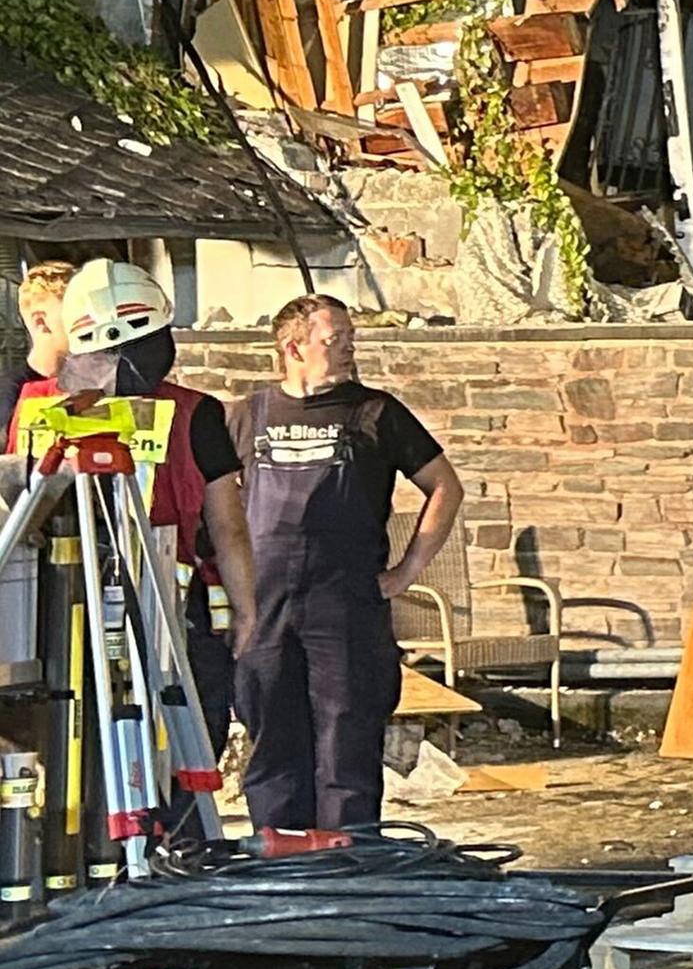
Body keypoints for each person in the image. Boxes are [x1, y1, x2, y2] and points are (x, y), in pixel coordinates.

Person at [227, 294, 464, 835]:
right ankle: (280, 859)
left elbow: (445, 487)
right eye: (336, 340)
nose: (351, 349)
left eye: (351, 338)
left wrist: (407, 571)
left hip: (345, 603)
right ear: (293, 346)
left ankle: (349, 859)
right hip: (264, 604)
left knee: (347, 739)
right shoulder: (246, 416)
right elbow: (217, 505)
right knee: (271, 737)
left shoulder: (377, 412)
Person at [18, 260, 253, 750]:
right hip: (162, 625)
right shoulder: (194, 413)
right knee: (181, 762)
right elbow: (227, 527)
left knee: (67, 756)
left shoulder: (33, 407)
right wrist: (249, 614)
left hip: (57, 621)